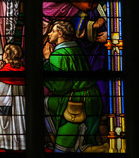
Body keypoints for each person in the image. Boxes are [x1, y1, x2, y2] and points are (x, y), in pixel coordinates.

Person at [43, 21, 103, 152]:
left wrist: (47, 61)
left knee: (63, 147)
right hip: (93, 98)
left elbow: (59, 88)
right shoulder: (75, 48)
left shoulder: (59, 55)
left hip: (76, 103)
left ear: (60, 33)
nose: (49, 33)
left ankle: (54, 140)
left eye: (52, 31)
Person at [0, 44, 26, 151]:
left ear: (6, 55)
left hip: (3, 109)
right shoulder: (24, 70)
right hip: (21, 108)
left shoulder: (4, 71)